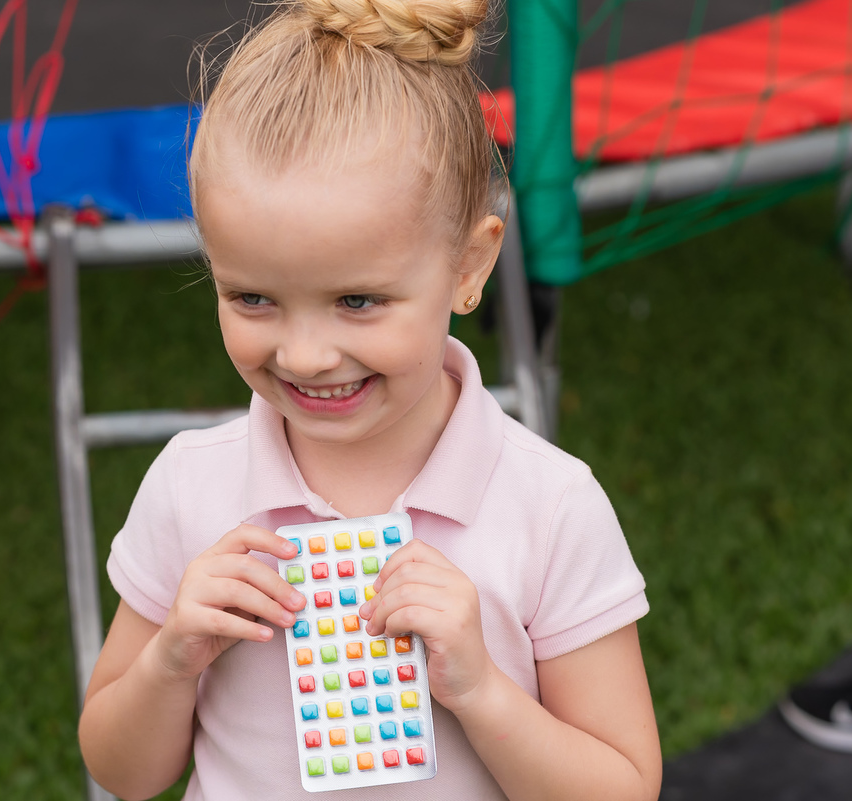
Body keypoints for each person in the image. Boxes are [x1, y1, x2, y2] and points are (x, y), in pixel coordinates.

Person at [77, 1, 662, 799]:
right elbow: (120, 770)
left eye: (357, 301)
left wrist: (483, 690)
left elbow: (623, 785)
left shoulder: (549, 506)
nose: (305, 355)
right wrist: (170, 656)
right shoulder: (191, 486)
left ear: (468, 266)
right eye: (252, 298)